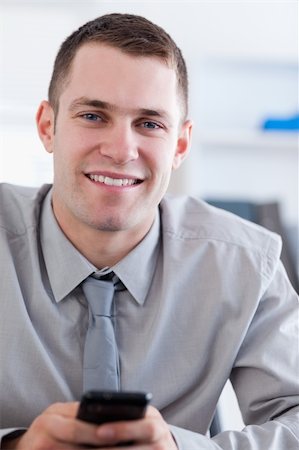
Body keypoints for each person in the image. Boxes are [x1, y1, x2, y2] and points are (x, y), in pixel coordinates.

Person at [0, 12, 298, 450]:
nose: (121, 150)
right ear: (48, 126)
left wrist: (183, 449)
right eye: (93, 115)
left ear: (179, 144)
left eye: (150, 123)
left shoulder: (248, 264)